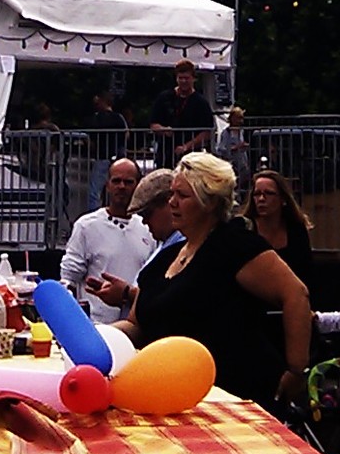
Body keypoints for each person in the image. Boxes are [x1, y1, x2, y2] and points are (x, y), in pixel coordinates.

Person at [118, 152, 312, 405]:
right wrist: (97, 335)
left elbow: (296, 294)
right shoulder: (164, 259)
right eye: (171, 195)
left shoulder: (235, 245)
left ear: (209, 202)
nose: (172, 203)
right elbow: (136, 324)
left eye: (183, 196)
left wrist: (296, 370)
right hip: (173, 394)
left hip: (233, 395)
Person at [60, 160, 156, 324]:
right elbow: (68, 277)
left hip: (135, 326)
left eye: (128, 182)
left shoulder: (148, 228)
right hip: (95, 325)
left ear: (138, 185)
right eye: (116, 181)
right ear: (107, 185)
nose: (121, 186)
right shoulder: (86, 226)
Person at [87, 169, 180, 317]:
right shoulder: (165, 245)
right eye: (116, 181)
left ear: (171, 204)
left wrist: (126, 293)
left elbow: (171, 305)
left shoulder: (181, 248)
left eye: (147, 213)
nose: (144, 221)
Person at [248, 167, 314, 277]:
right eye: (257, 194)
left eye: (269, 193)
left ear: (283, 199)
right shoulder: (245, 229)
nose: (261, 199)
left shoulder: (296, 229)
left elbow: (306, 271)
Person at [147, 60, 215, 164]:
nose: (183, 81)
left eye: (186, 78)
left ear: (193, 79)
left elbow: (206, 132)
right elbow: (153, 124)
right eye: (180, 78)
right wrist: (163, 130)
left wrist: (187, 146)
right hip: (166, 154)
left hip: (192, 157)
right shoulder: (164, 97)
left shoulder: (201, 102)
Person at [218, 107, 254, 187]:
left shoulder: (242, 131)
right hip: (231, 162)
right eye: (238, 118)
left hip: (242, 162)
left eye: (241, 118)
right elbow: (222, 149)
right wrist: (236, 147)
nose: (240, 121)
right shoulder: (226, 132)